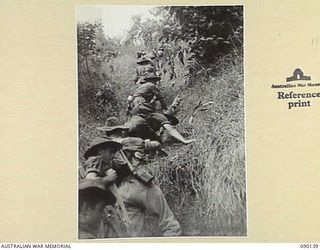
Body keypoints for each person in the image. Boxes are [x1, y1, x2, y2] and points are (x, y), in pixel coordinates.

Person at [93, 117, 181, 237]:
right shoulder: (127, 141)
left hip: (121, 192)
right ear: (121, 130)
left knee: (133, 234)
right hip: (140, 184)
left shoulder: (102, 150)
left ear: (107, 132)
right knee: (167, 222)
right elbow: (155, 144)